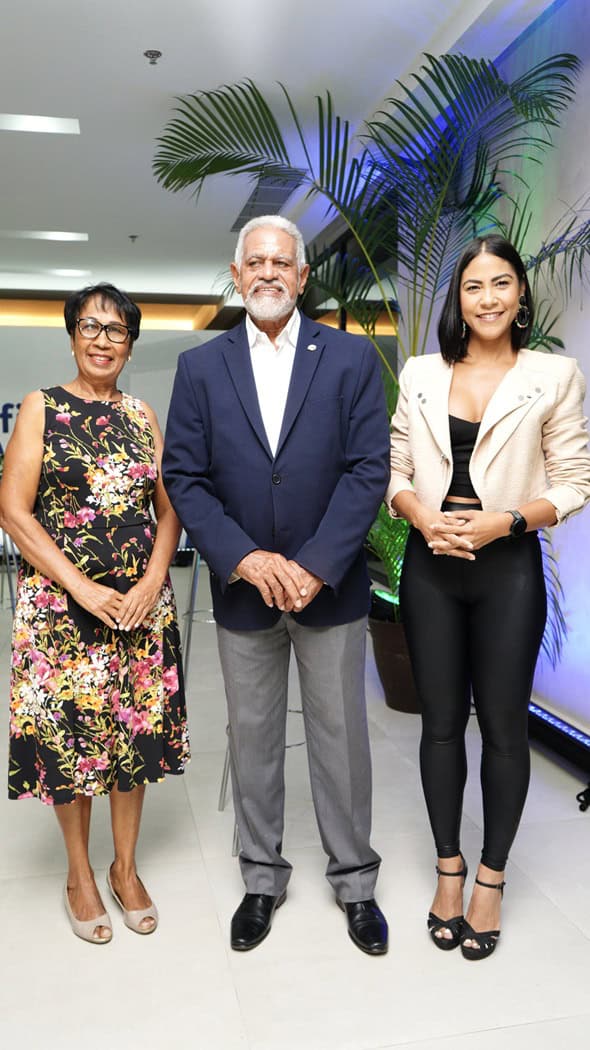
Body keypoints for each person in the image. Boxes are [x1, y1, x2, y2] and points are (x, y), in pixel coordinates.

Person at [163, 215, 390, 954]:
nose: (267, 273)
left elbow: (367, 471)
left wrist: (313, 564)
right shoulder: (200, 368)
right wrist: (247, 559)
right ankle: (261, 880)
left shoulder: (350, 359)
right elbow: (185, 478)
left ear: (300, 277)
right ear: (237, 275)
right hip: (243, 593)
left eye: (281, 262)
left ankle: (355, 883)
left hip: (330, 587)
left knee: (341, 741)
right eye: (254, 262)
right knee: (253, 738)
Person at [387, 235, 590, 960]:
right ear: (459, 299)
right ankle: (448, 868)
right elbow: (397, 470)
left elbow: (573, 480)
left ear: (521, 293)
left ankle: (491, 880)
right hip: (431, 562)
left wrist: (505, 521)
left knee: (504, 726)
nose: (489, 298)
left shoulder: (554, 375)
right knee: (440, 724)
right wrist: (423, 517)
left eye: (502, 283)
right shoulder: (419, 372)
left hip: (507, 566)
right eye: (474, 286)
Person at [0, 283, 190, 944]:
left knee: (131, 742)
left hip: (139, 610)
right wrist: (82, 587)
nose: (103, 338)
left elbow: (168, 508)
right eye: (90, 325)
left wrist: (155, 578)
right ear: (72, 335)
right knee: (70, 748)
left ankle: (125, 869)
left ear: (130, 342)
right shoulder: (41, 408)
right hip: (63, 610)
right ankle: (79, 876)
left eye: (116, 329)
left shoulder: (142, 415)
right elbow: (13, 512)